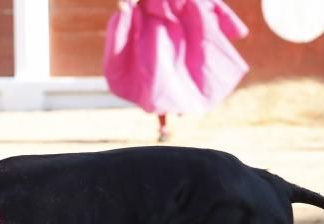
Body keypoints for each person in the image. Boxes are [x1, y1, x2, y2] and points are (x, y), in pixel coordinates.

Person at [104, 0, 249, 142]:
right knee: (159, 76)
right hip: (155, 23)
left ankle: (175, 112)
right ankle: (164, 125)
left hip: (184, 19)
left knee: (188, 68)